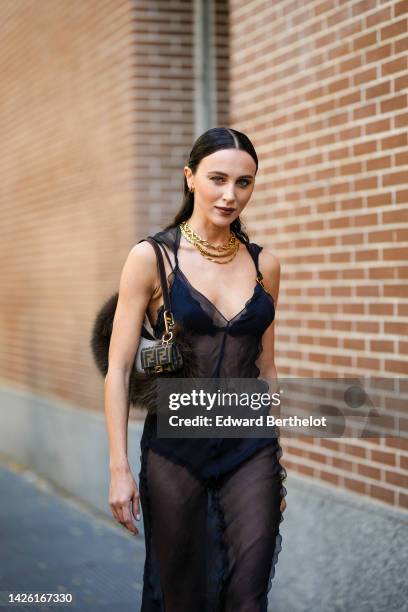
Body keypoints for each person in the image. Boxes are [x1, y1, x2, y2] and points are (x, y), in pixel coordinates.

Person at [104, 127, 288, 611]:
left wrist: (277, 462)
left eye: (244, 183)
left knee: (247, 596)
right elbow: (119, 369)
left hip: (249, 448)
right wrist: (118, 468)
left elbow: (266, 366)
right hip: (174, 450)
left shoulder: (264, 264)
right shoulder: (151, 258)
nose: (230, 195)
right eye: (218, 179)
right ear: (190, 178)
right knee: (180, 594)